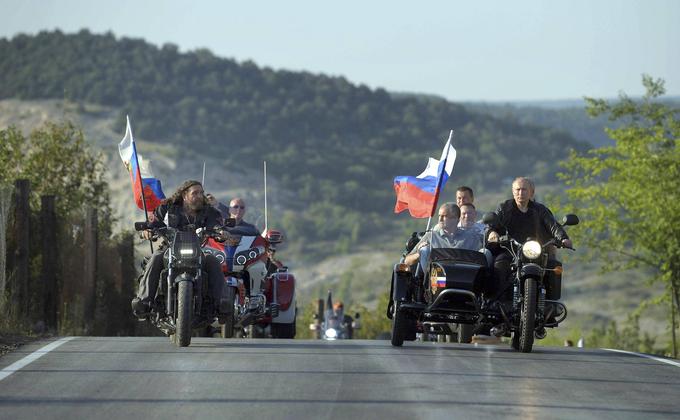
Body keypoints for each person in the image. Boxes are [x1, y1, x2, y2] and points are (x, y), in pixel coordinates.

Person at [131, 180, 228, 319]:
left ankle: (222, 303)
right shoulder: (168, 206)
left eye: (201, 193)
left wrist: (220, 232)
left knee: (212, 261)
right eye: (195, 193)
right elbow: (153, 221)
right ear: (184, 195)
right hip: (169, 248)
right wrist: (148, 230)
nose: (200, 196)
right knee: (156, 258)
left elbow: (216, 224)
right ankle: (144, 301)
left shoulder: (209, 210)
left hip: (196, 250)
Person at [486, 177, 572, 300]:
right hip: (511, 250)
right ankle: (497, 300)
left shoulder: (540, 210)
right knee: (500, 262)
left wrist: (563, 238)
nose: (521, 193)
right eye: (518, 189)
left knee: (553, 266)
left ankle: (550, 303)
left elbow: (553, 225)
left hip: (536, 251)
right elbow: (493, 224)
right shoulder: (505, 207)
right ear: (513, 191)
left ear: (532, 192)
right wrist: (492, 232)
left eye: (524, 190)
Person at [404, 202, 483, 268]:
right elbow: (407, 261)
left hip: (464, 280)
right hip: (436, 281)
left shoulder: (470, 237)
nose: (440, 219)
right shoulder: (431, 236)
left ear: (455, 219)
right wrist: (420, 254)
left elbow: (481, 257)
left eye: (444, 216)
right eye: (439, 216)